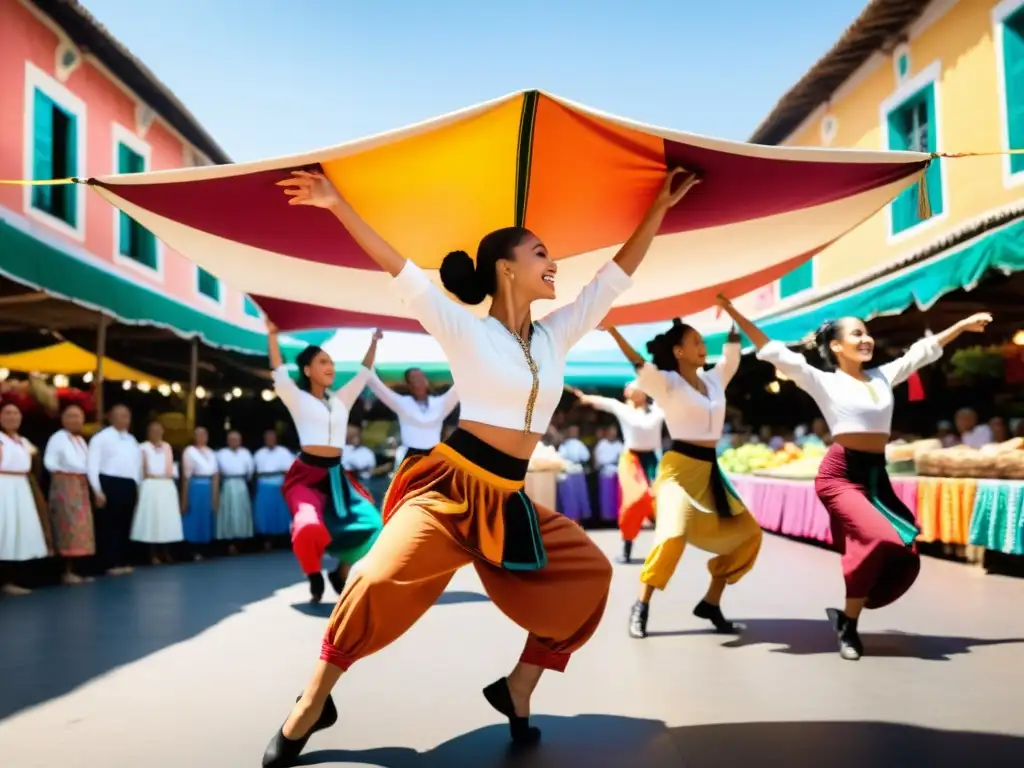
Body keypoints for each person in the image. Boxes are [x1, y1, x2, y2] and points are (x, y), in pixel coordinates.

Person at [261, 165, 699, 767]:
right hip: (449, 489)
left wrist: (660, 209)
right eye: (540, 252)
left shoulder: (556, 334)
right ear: (506, 267)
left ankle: (518, 687)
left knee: (590, 578)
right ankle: (314, 700)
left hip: (509, 497)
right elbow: (401, 270)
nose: (554, 264)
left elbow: (613, 279)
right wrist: (335, 202)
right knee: (377, 580)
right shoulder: (463, 328)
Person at [719, 295, 992, 660]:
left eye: (868, 334)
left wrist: (959, 327)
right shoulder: (821, 380)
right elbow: (772, 349)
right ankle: (848, 623)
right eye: (857, 334)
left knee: (899, 543)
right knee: (877, 538)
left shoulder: (882, 376)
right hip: (840, 474)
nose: (867, 340)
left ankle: (847, 622)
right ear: (835, 346)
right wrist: (736, 312)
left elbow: (921, 352)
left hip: (876, 473)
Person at [604, 322, 759, 639]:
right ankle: (641, 605)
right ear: (678, 351)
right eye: (696, 341)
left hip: (709, 470)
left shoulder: (714, 379)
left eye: (703, 341)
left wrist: (731, 313)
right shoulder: (667, 383)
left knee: (748, 535)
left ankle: (711, 603)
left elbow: (731, 355)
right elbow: (639, 365)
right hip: (678, 470)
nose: (703, 346)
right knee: (672, 534)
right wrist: (614, 331)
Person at [266, 325, 384, 606]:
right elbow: (278, 369)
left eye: (330, 362)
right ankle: (313, 573)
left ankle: (340, 572)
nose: (329, 366)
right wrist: (272, 335)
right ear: (307, 370)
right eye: (322, 362)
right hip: (306, 476)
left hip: (336, 476)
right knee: (308, 526)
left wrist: (373, 341)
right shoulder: (297, 398)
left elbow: (364, 372)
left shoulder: (341, 399)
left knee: (373, 524)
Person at [573, 377, 664, 564]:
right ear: (627, 394)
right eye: (630, 388)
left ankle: (663, 549)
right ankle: (626, 547)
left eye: (638, 387)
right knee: (634, 499)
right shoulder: (621, 408)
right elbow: (597, 401)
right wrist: (583, 396)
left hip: (652, 459)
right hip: (631, 459)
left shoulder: (658, 408)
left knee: (660, 500)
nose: (633, 390)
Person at [365, 362, 459, 468]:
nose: (420, 382)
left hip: (434, 456)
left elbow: (460, 385)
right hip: (410, 457)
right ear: (409, 385)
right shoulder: (403, 404)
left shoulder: (439, 404)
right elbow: (373, 383)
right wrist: (373, 347)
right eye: (415, 378)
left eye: (421, 377)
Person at [0, 402, 50, 595]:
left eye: (15, 413)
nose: (12, 417)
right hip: (3, 486)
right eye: (7, 413)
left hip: (20, 487)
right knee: (5, 530)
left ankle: (12, 578)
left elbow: (35, 459)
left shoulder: (23, 441)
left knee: (18, 532)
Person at [43, 403, 94, 585]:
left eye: (78, 416)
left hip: (80, 483)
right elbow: (50, 462)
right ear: (63, 419)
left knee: (81, 527)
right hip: (64, 483)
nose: (74, 420)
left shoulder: (81, 440)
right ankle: (65, 570)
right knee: (66, 525)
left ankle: (77, 569)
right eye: (70, 416)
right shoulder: (58, 438)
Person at [87, 404, 141, 576]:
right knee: (109, 524)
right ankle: (108, 562)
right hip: (109, 482)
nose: (124, 419)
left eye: (127, 416)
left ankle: (121, 560)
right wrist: (97, 490)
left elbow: (136, 465)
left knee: (126, 522)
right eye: (119, 415)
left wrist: (137, 485)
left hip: (128, 484)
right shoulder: (101, 438)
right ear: (110, 417)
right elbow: (92, 465)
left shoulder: (132, 440)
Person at [130, 420, 183, 564]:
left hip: (166, 484)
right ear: (148, 433)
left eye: (159, 430)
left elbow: (172, 468)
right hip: (150, 484)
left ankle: (166, 551)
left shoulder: (167, 447)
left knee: (166, 519)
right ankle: (152, 554)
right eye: (153, 431)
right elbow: (138, 469)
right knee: (152, 519)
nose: (156, 433)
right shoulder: (142, 447)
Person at [180, 426, 219, 561]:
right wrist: (184, 498)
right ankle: (192, 550)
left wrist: (215, 497)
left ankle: (205, 549)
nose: (202, 437)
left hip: (208, 486)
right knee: (193, 517)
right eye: (199, 434)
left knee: (206, 517)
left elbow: (215, 475)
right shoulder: (189, 451)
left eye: (204, 434)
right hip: (195, 485)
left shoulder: (211, 452)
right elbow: (186, 476)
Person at [253, 429, 296, 544]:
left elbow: (290, 471)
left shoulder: (284, 452)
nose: (270, 440)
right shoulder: (259, 453)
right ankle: (266, 539)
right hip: (264, 486)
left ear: (276, 439)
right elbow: (255, 472)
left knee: (282, 512)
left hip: (279, 485)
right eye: (268, 438)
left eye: (272, 437)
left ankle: (283, 539)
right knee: (264, 512)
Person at [215, 430, 255, 554]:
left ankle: (240, 542)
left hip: (241, 484)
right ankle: (228, 543)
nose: (234, 442)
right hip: (227, 484)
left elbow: (251, 471)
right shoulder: (220, 453)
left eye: (237, 439)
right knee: (228, 511)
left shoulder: (246, 453)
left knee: (241, 512)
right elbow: (217, 471)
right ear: (227, 441)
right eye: (232, 439)